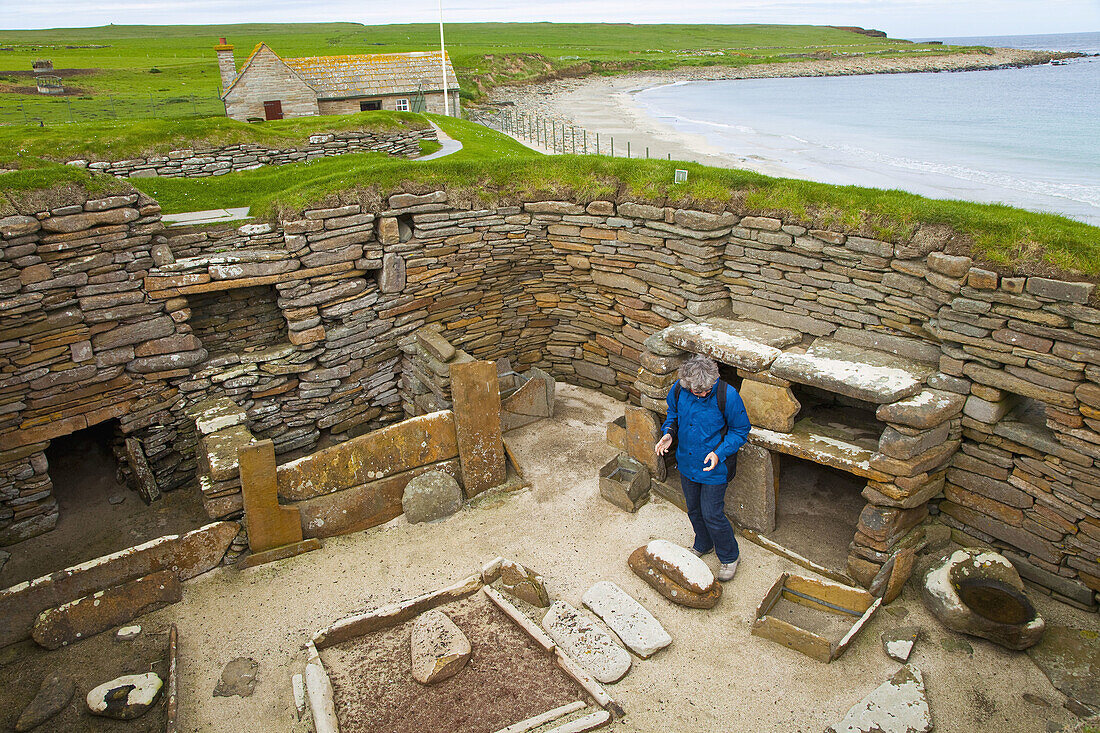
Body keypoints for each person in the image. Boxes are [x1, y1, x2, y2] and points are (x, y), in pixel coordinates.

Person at [654, 354, 751, 581]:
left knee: (712, 513)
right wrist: (668, 433)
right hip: (687, 461)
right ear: (687, 386)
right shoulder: (679, 389)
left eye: (708, 389)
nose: (704, 394)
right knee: (694, 509)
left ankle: (729, 556)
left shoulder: (727, 395)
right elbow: (673, 413)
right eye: (698, 392)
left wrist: (719, 453)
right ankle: (703, 543)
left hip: (715, 467)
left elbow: (740, 430)